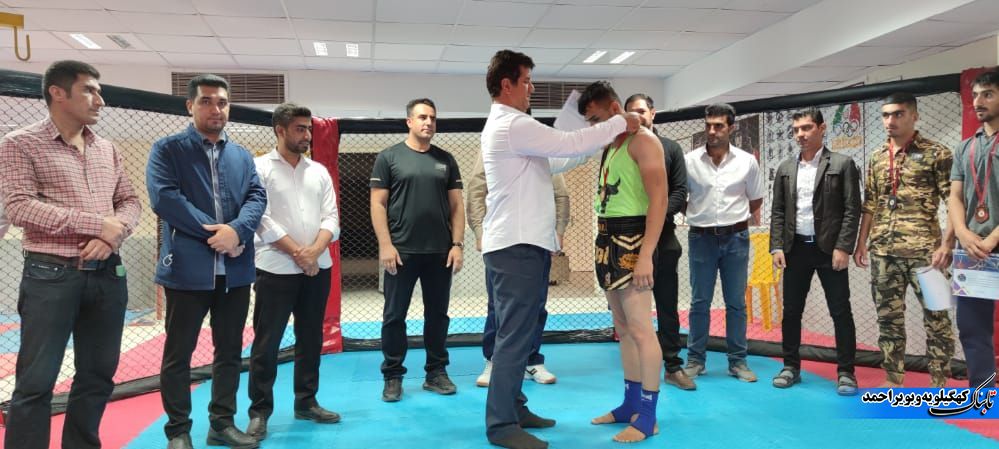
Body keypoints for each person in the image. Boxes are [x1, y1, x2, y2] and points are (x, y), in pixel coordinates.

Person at [480, 49, 641, 449]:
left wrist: (585, 145)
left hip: (525, 245)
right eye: (527, 81)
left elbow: (556, 160)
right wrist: (620, 121)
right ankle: (501, 425)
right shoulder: (512, 124)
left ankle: (514, 407)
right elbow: (567, 142)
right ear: (507, 84)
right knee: (514, 337)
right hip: (515, 247)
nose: (532, 88)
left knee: (523, 332)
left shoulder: (514, 127)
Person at [0, 59, 141, 449]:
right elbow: (19, 207)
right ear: (57, 93)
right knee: (36, 381)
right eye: (89, 90)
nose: (100, 100)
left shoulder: (107, 149)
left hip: (107, 272)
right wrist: (97, 224)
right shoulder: (19, 143)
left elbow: (129, 201)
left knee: (98, 375)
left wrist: (112, 237)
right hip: (51, 275)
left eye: (99, 91)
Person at [147, 74, 267, 449]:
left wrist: (237, 231)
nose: (216, 109)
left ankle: (222, 423)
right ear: (190, 106)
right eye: (206, 101)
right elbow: (165, 198)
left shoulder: (242, 155)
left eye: (222, 102)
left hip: (235, 271)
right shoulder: (168, 150)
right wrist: (217, 234)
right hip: (187, 270)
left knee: (229, 352)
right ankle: (178, 431)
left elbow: (257, 197)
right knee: (178, 355)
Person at [245, 103, 341, 441]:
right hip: (275, 268)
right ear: (280, 130)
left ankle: (306, 401)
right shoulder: (259, 167)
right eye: (300, 129)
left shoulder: (319, 171)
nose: (307, 135)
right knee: (267, 341)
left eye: (308, 129)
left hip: (317, 267)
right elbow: (260, 218)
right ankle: (259, 412)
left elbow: (331, 217)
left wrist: (313, 252)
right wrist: (298, 253)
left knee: (311, 337)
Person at [581, 82, 667, 443]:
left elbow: (659, 200)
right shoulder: (611, 144)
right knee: (623, 327)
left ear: (615, 109)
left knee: (642, 329)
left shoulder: (644, 141)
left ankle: (648, 416)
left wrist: (646, 254)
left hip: (633, 239)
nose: (593, 127)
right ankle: (630, 403)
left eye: (596, 118)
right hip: (607, 238)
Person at [854, 93, 955, 388]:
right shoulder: (877, 157)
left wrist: (946, 245)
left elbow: (953, 202)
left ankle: (940, 382)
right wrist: (861, 243)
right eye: (886, 115)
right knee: (888, 321)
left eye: (898, 114)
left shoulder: (938, 153)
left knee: (938, 319)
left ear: (914, 116)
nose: (890, 121)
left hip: (927, 254)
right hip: (884, 253)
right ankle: (893, 379)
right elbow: (870, 204)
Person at [370, 98, 465, 402]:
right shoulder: (389, 157)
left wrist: (457, 245)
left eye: (433, 118)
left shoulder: (446, 160)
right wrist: (386, 244)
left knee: (437, 315)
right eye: (422, 117)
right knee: (394, 316)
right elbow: (378, 204)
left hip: (439, 252)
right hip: (401, 251)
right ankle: (393, 375)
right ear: (409, 122)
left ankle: (436, 372)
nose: (429, 122)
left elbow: (457, 206)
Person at [769, 108, 861, 395]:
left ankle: (846, 372)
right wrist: (777, 246)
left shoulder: (843, 164)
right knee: (791, 311)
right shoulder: (786, 168)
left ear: (822, 128)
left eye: (807, 128)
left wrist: (843, 247)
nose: (801, 134)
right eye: (796, 129)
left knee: (840, 311)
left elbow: (852, 208)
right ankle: (790, 367)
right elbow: (778, 210)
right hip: (795, 248)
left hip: (830, 250)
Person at [467, 151, 565, 388]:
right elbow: (477, 189)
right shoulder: (493, 144)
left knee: (537, 303)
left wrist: (558, 231)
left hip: (538, 239)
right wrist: (479, 231)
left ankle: (531, 359)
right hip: (501, 240)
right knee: (498, 305)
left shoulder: (544, 147)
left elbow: (560, 193)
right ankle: (494, 360)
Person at [682, 103, 764, 383]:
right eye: (708, 125)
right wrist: (700, 215)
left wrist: (732, 218)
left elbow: (755, 199)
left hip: (736, 238)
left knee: (736, 303)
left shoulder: (746, 161)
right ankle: (695, 360)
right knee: (699, 302)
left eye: (718, 126)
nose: (712, 131)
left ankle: (738, 362)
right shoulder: (689, 161)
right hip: (701, 237)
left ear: (731, 127)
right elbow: (680, 197)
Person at [623, 93, 693, 391]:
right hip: (627, 240)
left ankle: (672, 365)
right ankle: (636, 367)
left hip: (662, 238)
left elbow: (679, 191)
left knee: (666, 304)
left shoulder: (670, 148)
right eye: (631, 112)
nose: (637, 116)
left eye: (641, 111)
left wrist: (656, 213)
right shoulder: (621, 148)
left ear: (653, 113)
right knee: (627, 308)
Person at [949, 70, 999, 389]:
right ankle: (983, 392)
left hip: (991, 241)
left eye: (988, 94)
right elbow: (955, 196)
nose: (978, 101)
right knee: (971, 325)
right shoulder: (965, 147)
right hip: (973, 247)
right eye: (976, 95)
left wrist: (992, 238)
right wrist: (963, 234)